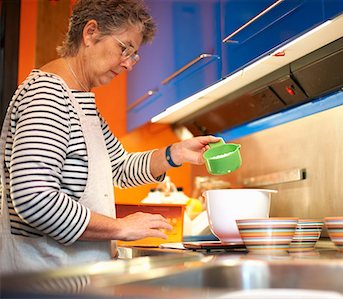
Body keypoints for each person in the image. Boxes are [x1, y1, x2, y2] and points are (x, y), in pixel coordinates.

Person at [0, 0, 220, 274]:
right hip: (46, 279)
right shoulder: (47, 95)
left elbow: (119, 168)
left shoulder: (80, 100)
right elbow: (33, 197)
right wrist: (120, 227)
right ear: (90, 32)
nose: (128, 64)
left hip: (72, 277)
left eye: (134, 55)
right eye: (124, 48)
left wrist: (174, 154)